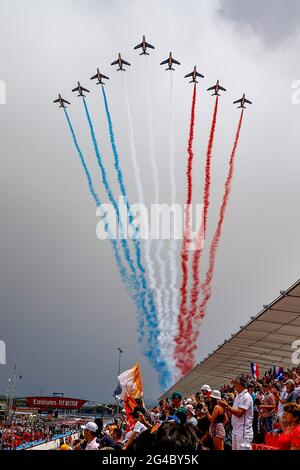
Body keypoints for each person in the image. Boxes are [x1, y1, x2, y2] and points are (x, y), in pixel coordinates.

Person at [219, 375, 253, 450]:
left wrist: (227, 406)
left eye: (235, 383)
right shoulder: (238, 396)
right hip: (236, 430)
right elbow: (234, 413)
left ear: (240, 384)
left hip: (243, 432)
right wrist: (226, 407)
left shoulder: (246, 397)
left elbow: (239, 413)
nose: (233, 385)